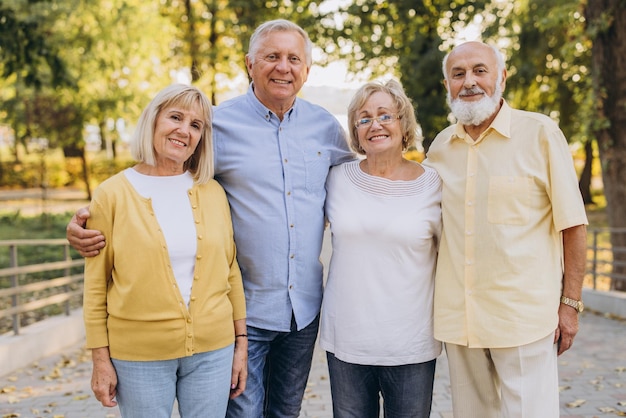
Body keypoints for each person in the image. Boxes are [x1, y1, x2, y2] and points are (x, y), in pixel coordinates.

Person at [67, 20, 355, 417]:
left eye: (293, 59)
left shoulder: (326, 127)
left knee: (286, 412)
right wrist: (88, 220)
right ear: (249, 64)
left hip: (302, 309)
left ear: (307, 70)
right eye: (271, 56)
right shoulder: (215, 124)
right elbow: (157, 173)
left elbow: (361, 182)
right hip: (241, 311)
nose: (283, 67)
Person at [424, 41, 588, 418]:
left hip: (523, 318)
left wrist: (570, 304)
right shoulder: (440, 149)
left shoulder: (541, 133)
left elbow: (573, 225)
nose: (469, 82)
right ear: (446, 82)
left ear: (501, 76)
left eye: (480, 70)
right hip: (459, 320)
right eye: (458, 73)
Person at [83, 84, 247, 417]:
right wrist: (100, 360)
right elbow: (95, 286)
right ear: (153, 120)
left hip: (213, 351)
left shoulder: (212, 192)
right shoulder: (111, 195)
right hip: (139, 356)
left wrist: (240, 344)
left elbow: (231, 270)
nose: (184, 130)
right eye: (175, 117)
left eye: (195, 125)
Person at [320, 79, 442, 418]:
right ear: (356, 131)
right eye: (364, 118)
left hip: (411, 344)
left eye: (385, 115)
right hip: (347, 341)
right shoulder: (336, 179)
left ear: (403, 124)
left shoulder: (434, 184)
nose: (375, 124)